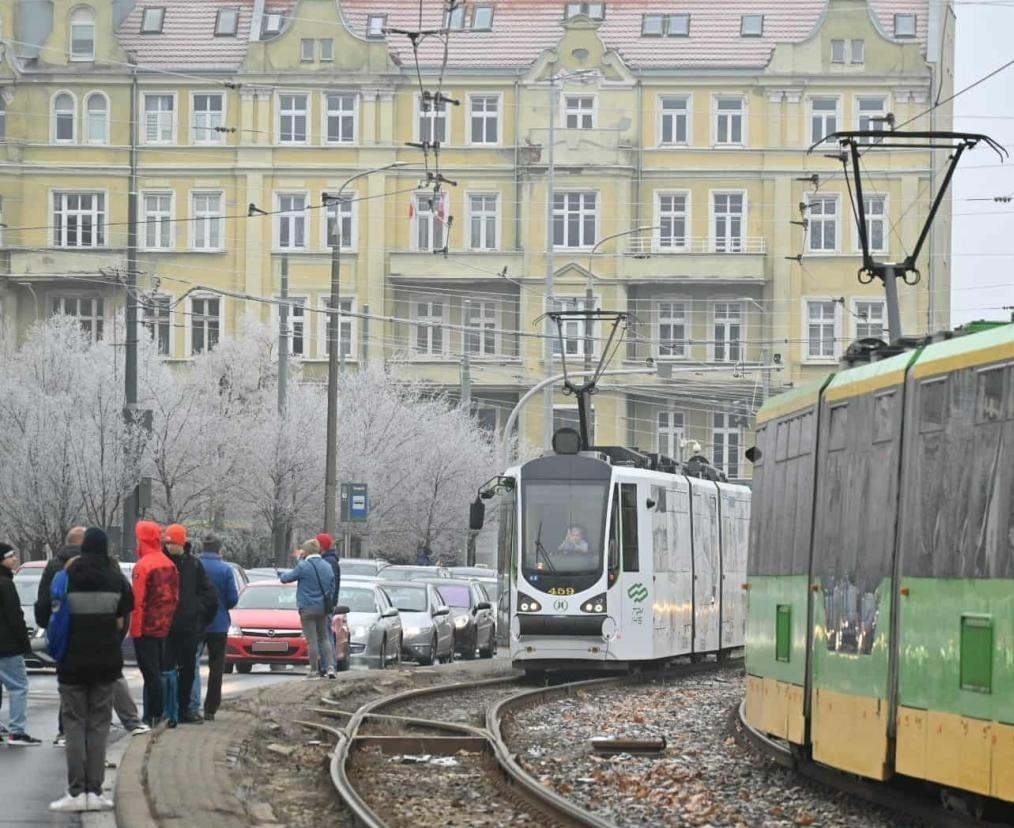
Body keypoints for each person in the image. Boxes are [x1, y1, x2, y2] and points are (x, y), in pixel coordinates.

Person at [50, 528, 133, 813]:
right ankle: (95, 791)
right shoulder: (116, 579)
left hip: (71, 664)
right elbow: (124, 618)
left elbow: (43, 613)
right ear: (106, 548)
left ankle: (75, 791)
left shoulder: (65, 576)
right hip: (106, 663)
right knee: (99, 726)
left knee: (74, 724)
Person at [35, 527, 86, 746]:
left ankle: (65, 730)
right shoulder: (93, 564)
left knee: (68, 685)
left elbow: (43, 600)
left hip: (63, 634)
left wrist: (49, 626)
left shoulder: (54, 564)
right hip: (90, 633)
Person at [163, 524, 217, 725]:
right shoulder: (162, 563)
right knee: (166, 670)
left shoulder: (193, 565)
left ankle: (184, 709)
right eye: (167, 543)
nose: (170, 547)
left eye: (174, 543)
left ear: (182, 543)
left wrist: (199, 615)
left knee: (187, 671)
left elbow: (209, 593)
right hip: (166, 627)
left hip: (188, 627)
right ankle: (169, 710)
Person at [131, 521, 179, 727]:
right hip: (164, 626)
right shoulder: (169, 564)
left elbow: (137, 601)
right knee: (158, 671)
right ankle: (159, 713)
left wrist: (135, 630)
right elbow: (175, 597)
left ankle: (154, 715)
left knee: (150, 674)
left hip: (146, 628)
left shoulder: (143, 566)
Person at [188, 533, 236, 722]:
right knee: (216, 668)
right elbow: (232, 599)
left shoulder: (194, 566)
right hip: (219, 624)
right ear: (219, 549)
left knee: (192, 664)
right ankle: (211, 708)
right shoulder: (225, 570)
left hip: (196, 623)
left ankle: (192, 705)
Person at [0, 544, 41, 746]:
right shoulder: (6, 584)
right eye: (10, 556)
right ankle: (17, 731)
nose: (15, 559)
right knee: (18, 687)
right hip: (7, 646)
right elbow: (15, 617)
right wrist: (24, 644)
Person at [279, 539, 335, 679]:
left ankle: (314, 670)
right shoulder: (327, 566)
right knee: (324, 638)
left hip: (307, 608)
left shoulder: (304, 566)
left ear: (306, 551)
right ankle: (330, 667)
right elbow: (332, 586)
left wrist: (282, 573)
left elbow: (286, 578)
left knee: (312, 640)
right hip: (323, 608)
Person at [317, 532, 341, 670]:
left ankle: (329, 665)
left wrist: (329, 603)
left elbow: (330, 584)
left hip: (326, 604)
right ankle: (328, 664)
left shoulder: (328, 562)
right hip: (328, 603)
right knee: (325, 635)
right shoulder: (331, 560)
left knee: (325, 635)